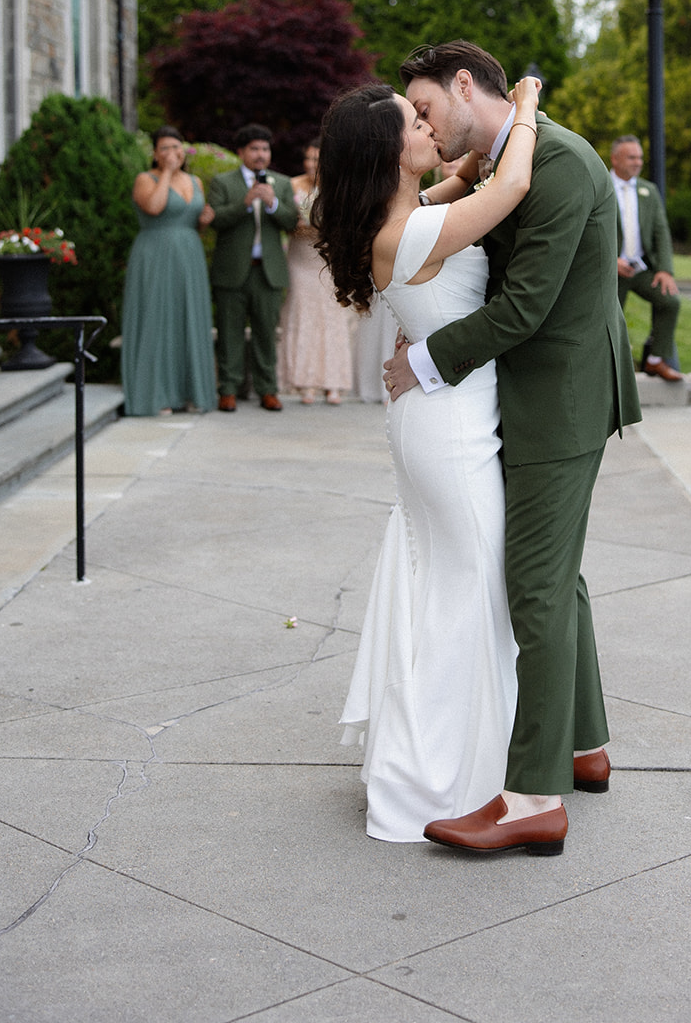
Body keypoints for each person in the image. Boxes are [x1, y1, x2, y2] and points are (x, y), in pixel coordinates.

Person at [385, 41, 641, 857]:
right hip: (532, 398)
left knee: (533, 584)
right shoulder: (508, 158)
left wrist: (425, 361)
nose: (423, 124)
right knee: (556, 576)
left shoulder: (554, 163)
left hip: (558, 403)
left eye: (425, 107)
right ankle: (584, 745)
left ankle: (532, 798)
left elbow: (526, 304)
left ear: (465, 87)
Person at [313, 74, 543, 841]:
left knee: (451, 588)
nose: (425, 125)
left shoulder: (406, 216)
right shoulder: (409, 232)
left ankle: (458, 763)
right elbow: (510, 186)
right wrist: (525, 104)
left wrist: (468, 154)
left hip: (436, 421)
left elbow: (463, 182)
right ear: (389, 153)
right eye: (412, 122)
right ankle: (441, 779)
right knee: (467, 596)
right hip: (449, 434)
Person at [121, 127, 216, 417]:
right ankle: (156, 394)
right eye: (164, 148)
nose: (172, 152)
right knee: (157, 318)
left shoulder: (195, 181)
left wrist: (204, 221)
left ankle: (189, 392)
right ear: (154, 153)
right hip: (155, 254)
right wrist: (166, 172)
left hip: (189, 256)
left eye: (176, 146)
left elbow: (193, 221)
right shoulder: (145, 179)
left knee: (188, 319)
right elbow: (154, 206)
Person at [207, 124, 297, 412]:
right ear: (241, 152)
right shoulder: (223, 183)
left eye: (265, 149)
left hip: (268, 272)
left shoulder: (281, 183)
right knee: (229, 333)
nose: (260, 154)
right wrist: (244, 203)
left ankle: (267, 389)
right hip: (232, 270)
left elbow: (292, 221)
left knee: (266, 334)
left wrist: (273, 204)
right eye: (254, 149)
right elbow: (216, 220)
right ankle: (228, 390)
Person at [278, 141, 353, 404]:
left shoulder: (339, 188)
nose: (311, 164)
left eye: (316, 159)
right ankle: (304, 382)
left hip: (328, 258)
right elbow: (283, 220)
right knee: (302, 314)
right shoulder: (292, 185)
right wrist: (297, 225)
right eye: (308, 159)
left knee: (332, 317)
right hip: (300, 257)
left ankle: (333, 382)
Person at [610, 135, 683, 382]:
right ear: (615, 159)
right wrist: (611, 261)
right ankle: (614, 368)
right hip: (610, 270)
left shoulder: (648, 191)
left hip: (640, 269)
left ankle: (655, 360)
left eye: (640, 157)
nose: (638, 162)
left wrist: (665, 270)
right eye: (632, 157)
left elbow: (661, 232)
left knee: (669, 301)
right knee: (610, 320)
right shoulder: (601, 185)